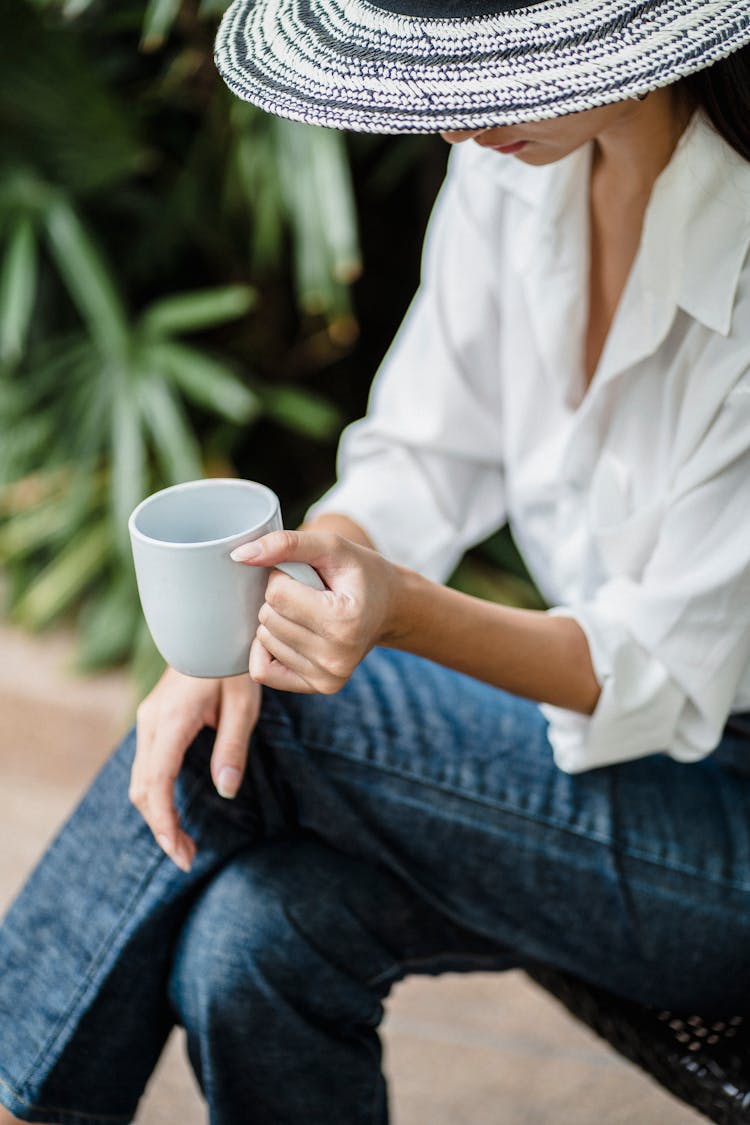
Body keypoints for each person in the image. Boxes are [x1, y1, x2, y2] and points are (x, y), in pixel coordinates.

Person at [2, 0, 750, 1121]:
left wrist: (386, 616)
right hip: (609, 782)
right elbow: (419, 460)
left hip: (725, 843)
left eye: (500, 69)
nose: (455, 124)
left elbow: (657, 669)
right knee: (250, 938)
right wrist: (307, 575)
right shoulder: (518, 165)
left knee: (282, 702)